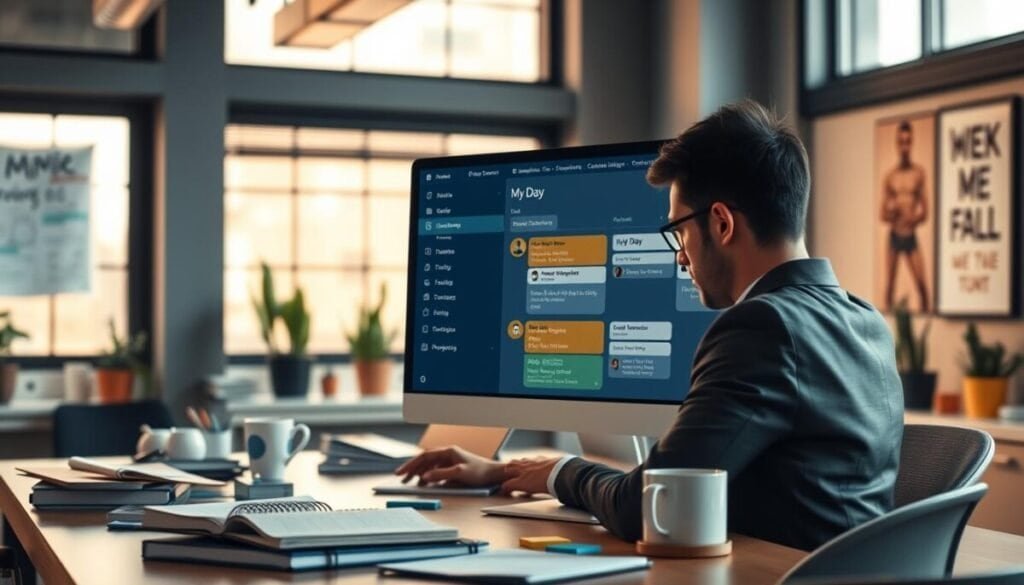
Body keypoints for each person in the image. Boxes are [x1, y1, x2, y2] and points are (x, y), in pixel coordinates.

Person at [396, 101, 903, 551]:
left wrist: (556, 471)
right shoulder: (864, 319)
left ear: (722, 224)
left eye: (678, 231)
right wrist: (512, 472)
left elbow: (651, 505)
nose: (679, 255)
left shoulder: (761, 327)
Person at [881, 121, 930, 312]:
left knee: (922, 286)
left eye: (908, 142)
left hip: (910, 235)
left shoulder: (919, 174)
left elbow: (925, 212)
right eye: (901, 142)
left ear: (912, 144)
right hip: (894, 236)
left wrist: (911, 219)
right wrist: (892, 212)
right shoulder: (890, 177)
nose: (904, 147)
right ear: (896, 144)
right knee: (889, 288)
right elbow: (882, 213)